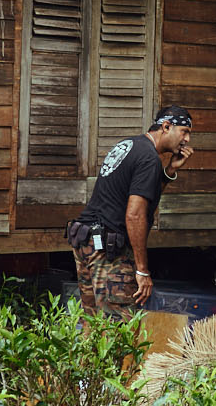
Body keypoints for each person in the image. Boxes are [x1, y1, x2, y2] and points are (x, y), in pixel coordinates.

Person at [65, 104, 193, 320]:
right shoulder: (149, 158)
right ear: (166, 126)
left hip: (85, 241)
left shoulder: (130, 145)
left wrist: (170, 171)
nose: (187, 140)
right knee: (118, 329)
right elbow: (135, 215)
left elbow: (144, 195)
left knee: (92, 322)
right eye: (185, 132)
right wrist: (142, 270)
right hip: (107, 251)